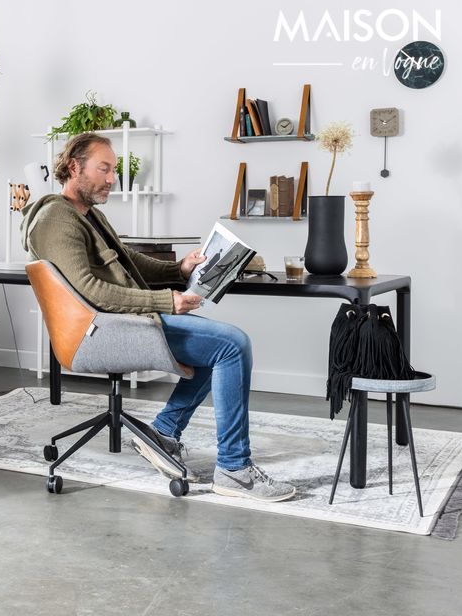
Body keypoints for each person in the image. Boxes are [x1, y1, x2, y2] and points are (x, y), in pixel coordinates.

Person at [20, 132, 295, 502]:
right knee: (232, 344)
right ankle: (234, 470)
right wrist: (166, 301)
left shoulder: (89, 215)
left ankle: (163, 433)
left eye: (113, 170)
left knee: (219, 345)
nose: (111, 178)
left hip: (119, 321)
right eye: (104, 169)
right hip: (97, 331)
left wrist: (180, 268)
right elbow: (92, 291)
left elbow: (130, 262)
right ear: (74, 167)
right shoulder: (56, 218)